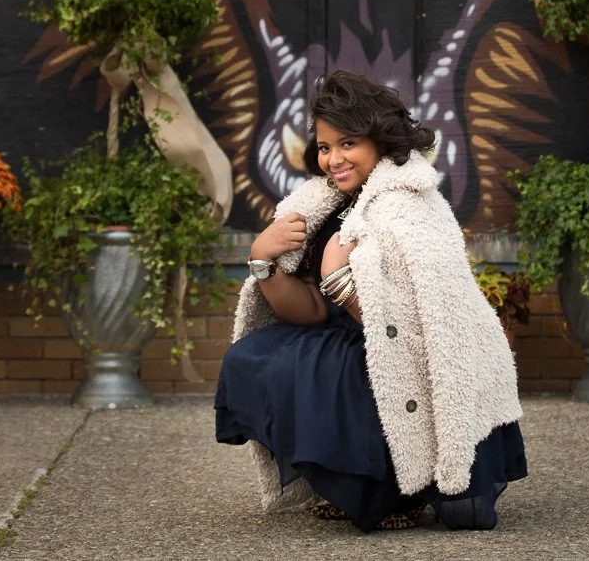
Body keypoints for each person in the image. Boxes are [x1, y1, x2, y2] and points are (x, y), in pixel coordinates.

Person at [215, 70, 527, 533]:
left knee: (327, 373)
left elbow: (413, 327)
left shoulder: (408, 205)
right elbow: (312, 311)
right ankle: (357, 487)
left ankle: (395, 491)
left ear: (379, 140)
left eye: (347, 144)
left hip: (400, 355)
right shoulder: (326, 203)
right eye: (324, 147)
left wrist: (338, 278)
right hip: (348, 339)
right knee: (256, 359)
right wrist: (262, 260)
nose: (333, 159)